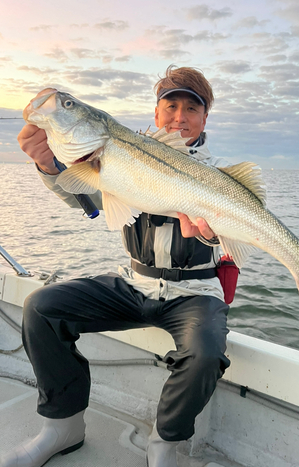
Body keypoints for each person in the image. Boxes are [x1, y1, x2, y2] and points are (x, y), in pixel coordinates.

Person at [0, 66, 231, 467]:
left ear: (205, 118)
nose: (180, 116)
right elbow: (87, 201)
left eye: (192, 108)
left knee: (206, 353)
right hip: (134, 282)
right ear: (156, 113)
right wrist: (49, 166)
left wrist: (213, 235)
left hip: (195, 291)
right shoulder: (124, 153)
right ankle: (62, 427)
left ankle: (164, 444)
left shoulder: (220, 174)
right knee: (42, 307)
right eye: (170, 105)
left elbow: (236, 238)